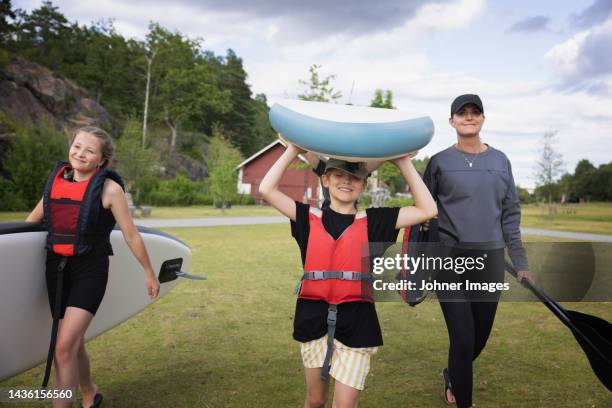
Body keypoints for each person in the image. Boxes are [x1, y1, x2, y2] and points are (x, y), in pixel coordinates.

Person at [259, 142, 437, 408]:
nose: (346, 181)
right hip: (312, 319)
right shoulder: (307, 217)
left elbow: (428, 210)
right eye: (339, 175)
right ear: (326, 180)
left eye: (354, 177)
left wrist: (402, 162)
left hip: (358, 324)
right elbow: (266, 189)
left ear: (364, 185)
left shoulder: (376, 221)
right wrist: (292, 149)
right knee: (315, 399)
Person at [26, 126, 160, 408]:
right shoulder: (56, 183)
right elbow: (31, 223)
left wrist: (149, 272)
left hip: (90, 270)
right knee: (74, 343)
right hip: (57, 270)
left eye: (89, 150)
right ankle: (89, 391)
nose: (80, 153)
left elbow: (131, 234)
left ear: (101, 161)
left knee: (63, 347)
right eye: (77, 146)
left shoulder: (110, 190)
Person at [422, 94, 534, 407]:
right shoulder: (439, 162)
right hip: (448, 262)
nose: (468, 117)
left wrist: (521, 262)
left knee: (477, 339)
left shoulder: (501, 161)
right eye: (462, 113)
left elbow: (510, 214)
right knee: (463, 337)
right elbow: (422, 208)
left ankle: (452, 375)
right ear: (452, 121)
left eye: (474, 113)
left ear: (483, 119)